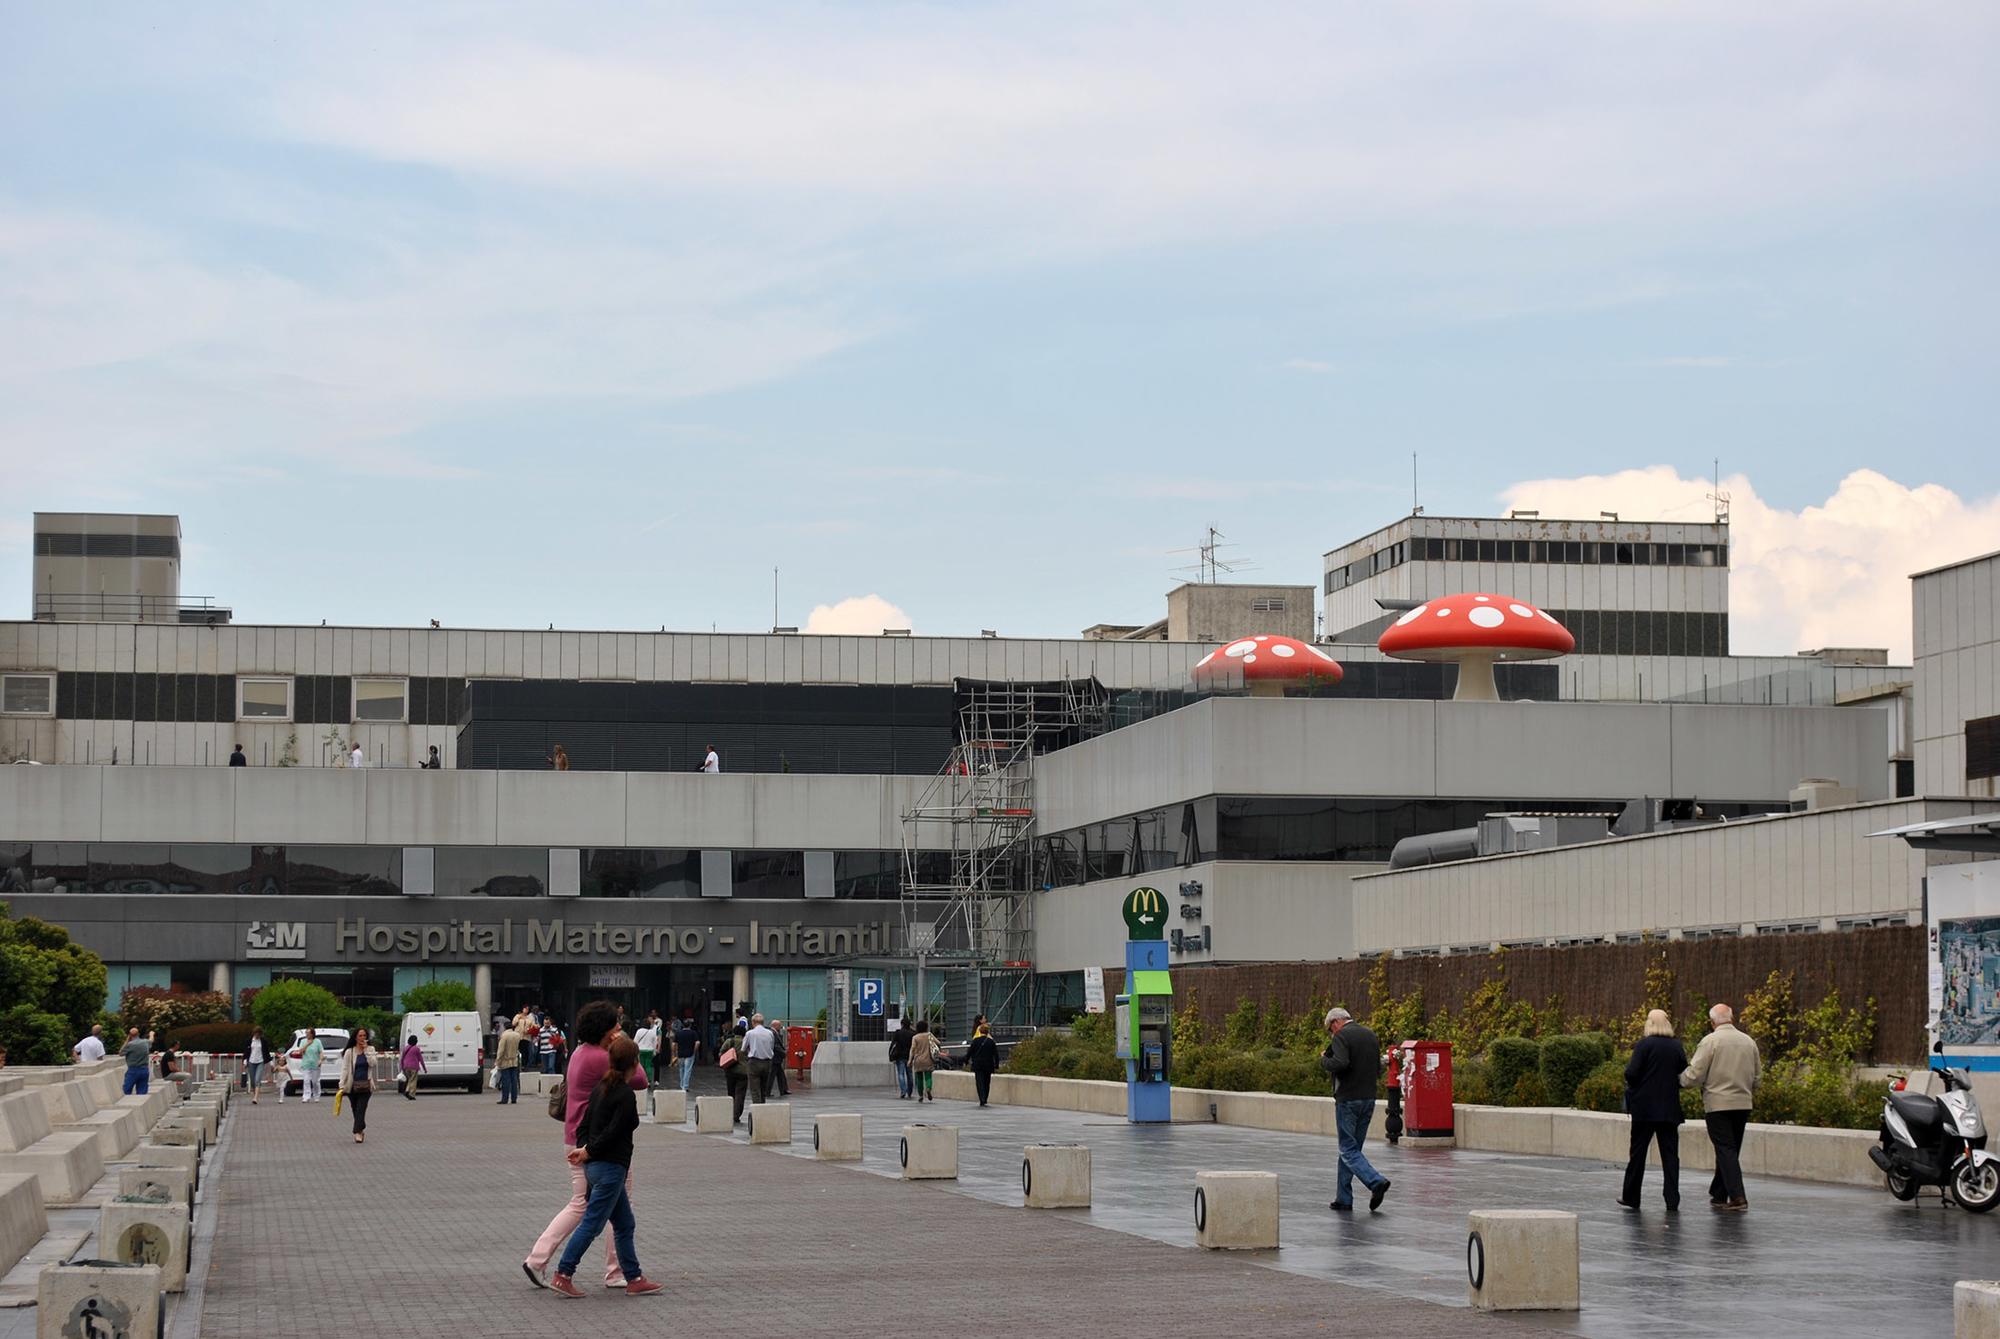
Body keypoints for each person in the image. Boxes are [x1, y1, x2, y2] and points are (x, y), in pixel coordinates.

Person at [525, 1000, 650, 1291]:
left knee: (595, 1205)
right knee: (592, 1206)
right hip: (599, 1144)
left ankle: (541, 1260)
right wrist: (626, 1046)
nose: (619, 1029)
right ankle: (611, 1270)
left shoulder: (580, 1052)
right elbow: (640, 1079)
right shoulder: (599, 1057)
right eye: (615, 1025)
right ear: (605, 1030)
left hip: (577, 1136)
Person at [549, 1036, 662, 1300]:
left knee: (624, 1223)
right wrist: (589, 1150)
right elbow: (616, 1130)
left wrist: (584, 1148)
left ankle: (633, 1277)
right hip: (611, 1168)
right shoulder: (624, 1094)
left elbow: (584, 1125)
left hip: (597, 1167)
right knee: (592, 1223)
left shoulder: (600, 1088)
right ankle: (563, 1274)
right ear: (635, 1064)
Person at [1682, 1002, 1761, 1212]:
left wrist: (1679, 1080)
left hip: (1718, 1104)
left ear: (1712, 1022)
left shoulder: (1710, 1042)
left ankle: (1738, 1197)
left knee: (1725, 1149)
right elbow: (1758, 1077)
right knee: (1731, 1148)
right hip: (1743, 1103)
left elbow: (1695, 1074)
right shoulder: (1748, 1042)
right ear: (1732, 1019)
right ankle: (1719, 1193)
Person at [1321, 1007, 1391, 1213]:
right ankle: (1343, 1198)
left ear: (1335, 1023)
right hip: (1368, 1099)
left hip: (1348, 1100)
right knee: (1352, 1149)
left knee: (1347, 1149)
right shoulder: (1370, 1035)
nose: (1332, 1033)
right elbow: (1378, 1068)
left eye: (1330, 1029)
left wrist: (1324, 1059)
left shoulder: (1341, 1036)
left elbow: (1340, 1063)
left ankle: (1375, 1181)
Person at [1621, 1009, 1687, 1212]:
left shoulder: (1644, 1045)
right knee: (1670, 1156)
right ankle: (1672, 1199)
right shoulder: (1676, 1046)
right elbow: (1683, 1072)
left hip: (1644, 1109)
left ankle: (1631, 1197)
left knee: (1638, 1154)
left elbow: (1632, 1073)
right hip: (1669, 1109)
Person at [337, 1026, 380, 1144]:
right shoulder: (349, 1052)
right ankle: (361, 1127)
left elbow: (373, 1063)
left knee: (361, 1108)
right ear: (355, 1037)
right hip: (352, 1085)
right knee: (355, 1109)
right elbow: (345, 1069)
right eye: (360, 1036)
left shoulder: (370, 1049)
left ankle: (357, 1132)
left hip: (366, 1085)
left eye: (364, 1036)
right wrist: (342, 1084)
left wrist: (366, 1051)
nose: (362, 1038)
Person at [743, 1014, 776, 1104]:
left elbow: (743, 1048)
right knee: (763, 1088)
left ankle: (757, 1109)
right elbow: (771, 1047)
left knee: (755, 1089)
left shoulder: (750, 1033)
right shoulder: (770, 1033)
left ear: (753, 1022)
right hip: (767, 1062)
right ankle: (763, 1107)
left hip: (754, 1062)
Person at [966, 1022, 1000, 1107]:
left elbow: (969, 1052)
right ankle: (985, 1098)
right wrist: (996, 1064)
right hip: (988, 1065)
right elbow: (996, 1054)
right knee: (987, 1082)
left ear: (980, 1031)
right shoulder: (991, 1042)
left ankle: (982, 1098)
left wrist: (966, 1061)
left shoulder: (975, 1041)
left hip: (978, 1065)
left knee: (979, 1082)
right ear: (987, 1032)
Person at [723, 1023, 751, 1125]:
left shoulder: (729, 1041)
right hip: (743, 1071)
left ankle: (730, 1112)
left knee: (731, 1093)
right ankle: (737, 1114)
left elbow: (721, 1052)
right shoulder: (746, 1042)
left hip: (730, 1070)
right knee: (740, 1094)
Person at [908, 1019, 941, 1103]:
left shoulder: (915, 1037)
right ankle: (928, 1088)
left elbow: (912, 1049)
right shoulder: (929, 1035)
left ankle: (920, 1095)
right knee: (928, 1076)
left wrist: (910, 1060)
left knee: (919, 1078)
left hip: (918, 1060)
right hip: (928, 1059)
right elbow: (938, 1042)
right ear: (926, 1027)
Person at [496, 1019, 524, 1105]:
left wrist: (498, 1061)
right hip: (514, 1060)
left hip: (505, 1060)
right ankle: (514, 1098)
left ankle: (505, 1098)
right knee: (514, 1080)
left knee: (506, 1080)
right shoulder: (517, 1035)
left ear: (504, 1027)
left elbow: (501, 1050)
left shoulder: (504, 1036)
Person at [120, 1028, 153, 1095]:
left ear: (129, 1035)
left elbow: (121, 1053)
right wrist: (151, 1034)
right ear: (138, 1034)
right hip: (144, 1069)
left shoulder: (130, 1045)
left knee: (126, 1090)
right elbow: (151, 1041)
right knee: (142, 1092)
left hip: (133, 1070)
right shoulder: (145, 1042)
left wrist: (127, 1040)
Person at [888, 1022, 913, 1099]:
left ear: (902, 1024)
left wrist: (891, 1057)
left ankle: (903, 1090)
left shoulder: (898, 1033)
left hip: (899, 1056)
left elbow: (893, 1045)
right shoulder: (912, 1034)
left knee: (900, 1074)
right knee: (909, 1074)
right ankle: (910, 1091)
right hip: (909, 1056)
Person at [299, 1030, 326, 1103]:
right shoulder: (303, 1041)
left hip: (315, 1064)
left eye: (308, 1033)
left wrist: (320, 1060)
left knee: (315, 1081)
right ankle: (306, 1096)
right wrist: (307, 1044)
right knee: (306, 1080)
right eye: (306, 1033)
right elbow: (300, 1051)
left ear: (312, 1034)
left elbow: (320, 1051)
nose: (307, 1034)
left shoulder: (317, 1041)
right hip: (306, 1064)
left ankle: (316, 1095)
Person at [244, 1027, 269, 1105]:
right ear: (254, 1033)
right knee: (253, 1081)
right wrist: (245, 1061)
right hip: (251, 1061)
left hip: (260, 1062)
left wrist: (271, 1063)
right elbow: (246, 1052)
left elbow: (266, 1053)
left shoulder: (263, 1041)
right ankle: (255, 1093)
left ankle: (256, 1097)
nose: (257, 1035)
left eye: (259, 1034)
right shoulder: (249, 1041)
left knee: (257, 1079)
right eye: (256, 1034)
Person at [674, 1017, 700, 1091]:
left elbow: (674, 1044)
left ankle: (682, 1084)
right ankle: (685, 1086)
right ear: (690, 1025)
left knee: (681, 1069)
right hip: (690, 1053)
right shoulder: (693, 1033)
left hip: (680, 1053)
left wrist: (675, 1052)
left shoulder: (678, 1033)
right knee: (687, 1070)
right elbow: (697, 1043)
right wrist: (694, 1051)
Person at [633, 1014, 660, 1085]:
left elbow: (635, 1041)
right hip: (649, 1051)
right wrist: (654, 1051)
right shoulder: (652, 1032)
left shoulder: (639, 1031)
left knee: (641, 1065)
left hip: (641, 1050)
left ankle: (642, 1079)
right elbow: (655, 1043)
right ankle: (648, 1080)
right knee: (648, 1065)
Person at [400, 1033, 427, 1100]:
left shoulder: (405, 1048)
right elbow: (420, 1059)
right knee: (413, 1080)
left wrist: (401, 1067)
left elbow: (402, 1058)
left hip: (406, 1067)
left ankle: (407, 1090)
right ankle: (411, 1094)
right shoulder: (416, 1049)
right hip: (414, 1067)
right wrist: (424, 1068)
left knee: (410, 1079)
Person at [768, 1018, 790, 1098]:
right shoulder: (773, 1033)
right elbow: (775, 1046)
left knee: (780, 1075)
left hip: (777, 1058)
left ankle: (784, 1089)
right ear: (775, 1025)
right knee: (771, 1076)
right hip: (775, 1058)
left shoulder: (775, 1032)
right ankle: (767, 1092)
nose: (780, 1027)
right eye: (779, 1025)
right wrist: (783, 1052)